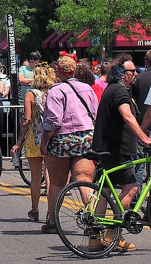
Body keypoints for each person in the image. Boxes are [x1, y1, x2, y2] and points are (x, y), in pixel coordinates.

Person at [90, 57, 151, 253]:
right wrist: (145, 139)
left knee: (105, 193)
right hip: (116, 150)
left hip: (107, 147)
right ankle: (112, 234)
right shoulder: (119, 90)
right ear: (121, 73)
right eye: (132, 71)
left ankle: (95, 239)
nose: (136, 74)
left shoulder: (114, 88)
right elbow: (127, 116)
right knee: (131, 189)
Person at [41, 52, 98, 233]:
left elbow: (53, 121)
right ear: (74, 70)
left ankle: (53, 221)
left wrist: (44, 142)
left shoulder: (55, 91)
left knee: (57, 183)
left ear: (58, 70)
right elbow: (95, 114)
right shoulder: (87, 88)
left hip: (61, 139)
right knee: (85, 179)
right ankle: (92, 218)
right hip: (86, 138)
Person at [11, 62, 56, 222]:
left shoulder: (30, 94)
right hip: (51, 137)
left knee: (36, 177)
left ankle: (35, 209)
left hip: (34, 138)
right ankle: (52, 211)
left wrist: (19, 142)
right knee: (50, 175)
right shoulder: (54, 92)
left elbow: (26, 120)